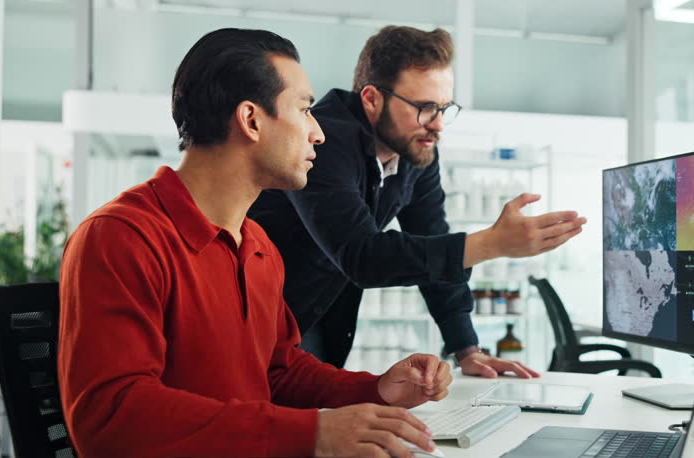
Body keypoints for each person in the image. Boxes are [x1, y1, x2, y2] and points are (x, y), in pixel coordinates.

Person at [58, 28, 451, 458]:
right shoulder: (120, 237)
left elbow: (278, 371)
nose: (318, 133)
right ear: (251, 120)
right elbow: (109, 421)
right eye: (304, 110)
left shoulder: (259, 246)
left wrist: (376, 390)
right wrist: (312, 433)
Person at [249, 26, 587, 375]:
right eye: (425, 108)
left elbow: (431, 241)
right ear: (371, 98)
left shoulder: (415, 152)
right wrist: (491, 243)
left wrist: (466, 348)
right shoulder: (325, 140)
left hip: (321, 315)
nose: (438, 125)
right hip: (259, 315)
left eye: (445, 108)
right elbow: (362, 255)